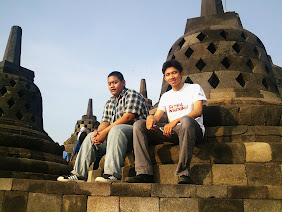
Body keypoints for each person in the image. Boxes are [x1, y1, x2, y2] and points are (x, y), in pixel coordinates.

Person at [57, 71, 148, 182]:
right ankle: (78, 174)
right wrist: (98, 132)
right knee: (90, 136)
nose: (112, 86)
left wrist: (104, 133)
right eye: (109, 84)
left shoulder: (132, 94)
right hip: (115, 139)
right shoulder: (109, 102)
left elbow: (128, 118)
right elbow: (105, 122)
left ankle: (112, 174)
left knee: (116, 129)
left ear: (123, 82)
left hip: (134, 136)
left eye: (115, 82)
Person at [126, 59, 207, 184]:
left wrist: (175, 121)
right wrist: (150, 118)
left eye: (174, 73)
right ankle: (144, 173)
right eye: (168, 75)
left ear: (181, 73)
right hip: (173, 131)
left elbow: (198, 111)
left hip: (192, 129)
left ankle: (183, 173)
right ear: (164, 78)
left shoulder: (194, 88)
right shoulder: (166, 96)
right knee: (138, 125)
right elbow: (157, 116)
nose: (171, 77)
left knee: (186, 120)